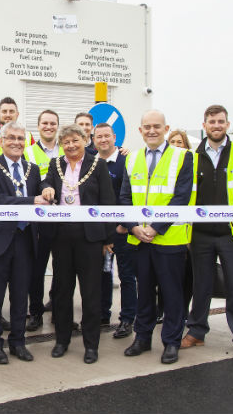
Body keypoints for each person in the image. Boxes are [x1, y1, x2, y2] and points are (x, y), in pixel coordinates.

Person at [182, 105, 233, 359]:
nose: (216, 125)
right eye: (211, 122)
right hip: (201, 234)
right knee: (201, 285)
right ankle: (196, 332)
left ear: (227, 125)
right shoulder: (192, 157)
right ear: (203, 125)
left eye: (220, 121)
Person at [119, 110, 194, 364]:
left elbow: (182, 196)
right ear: (140, 131)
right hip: (139, 239)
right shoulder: (132, 159)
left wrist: (155, 227)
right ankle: (142, 337)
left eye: (157, 126)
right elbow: (125, 198)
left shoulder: (183, 156)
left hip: (169, 239)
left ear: (166, 128)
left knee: (172, 293)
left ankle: (171, 342)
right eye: (147, 127)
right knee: (145, 293)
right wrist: (133, 227)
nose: (152, 130)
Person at [41, 124, 116, 364]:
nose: (71, 146)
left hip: (90, 239)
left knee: (91, 293)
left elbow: (107, 202)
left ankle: (91, 344)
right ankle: (62, 340)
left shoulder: (98, 165)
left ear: (85, 140)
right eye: (66, 142)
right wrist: (47, 187)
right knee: (62, 292)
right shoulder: (56, 164)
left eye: (75, 140)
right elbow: (44, 184)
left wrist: (107, 239)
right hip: (62, 237)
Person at [0, 121, 48, 364]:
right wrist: (32, 201)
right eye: (12, 138)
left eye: (21, 138)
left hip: (26, 240)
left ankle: (18, 342)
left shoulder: (33, 169)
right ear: (2, 140)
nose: (17, 142)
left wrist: (47, 189)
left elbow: (41, 188)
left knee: (20, 297)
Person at [93, 122, 137, 338]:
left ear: (114, 137)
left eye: (106, 136)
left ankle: (127, 319)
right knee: (103, 274)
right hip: (100, 232)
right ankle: (102, 314)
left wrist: (125, 224)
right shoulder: (91, 163)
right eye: (98, 136)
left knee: (127, 275)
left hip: (122, 230)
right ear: (93, 140)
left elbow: (130, 196)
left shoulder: (126, 160)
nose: (103, 140)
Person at [24, 109, 63, 331]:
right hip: (38, 221)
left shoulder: (65, 150)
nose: (49, 127)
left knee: (62, 268)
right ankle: (36, 312)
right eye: (45, 123)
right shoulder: (28, 152)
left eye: (52, 123)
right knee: (36, 270)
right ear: (38, 126)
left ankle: (58, 310)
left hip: (63, 220)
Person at [166, 129, 195, 320]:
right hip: (165, 231)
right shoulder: (164, 165)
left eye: (180, 142)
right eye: (173, 142)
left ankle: (182, 312)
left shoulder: (190, 162)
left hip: (188, 230)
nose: (177, 145)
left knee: (185, 278)